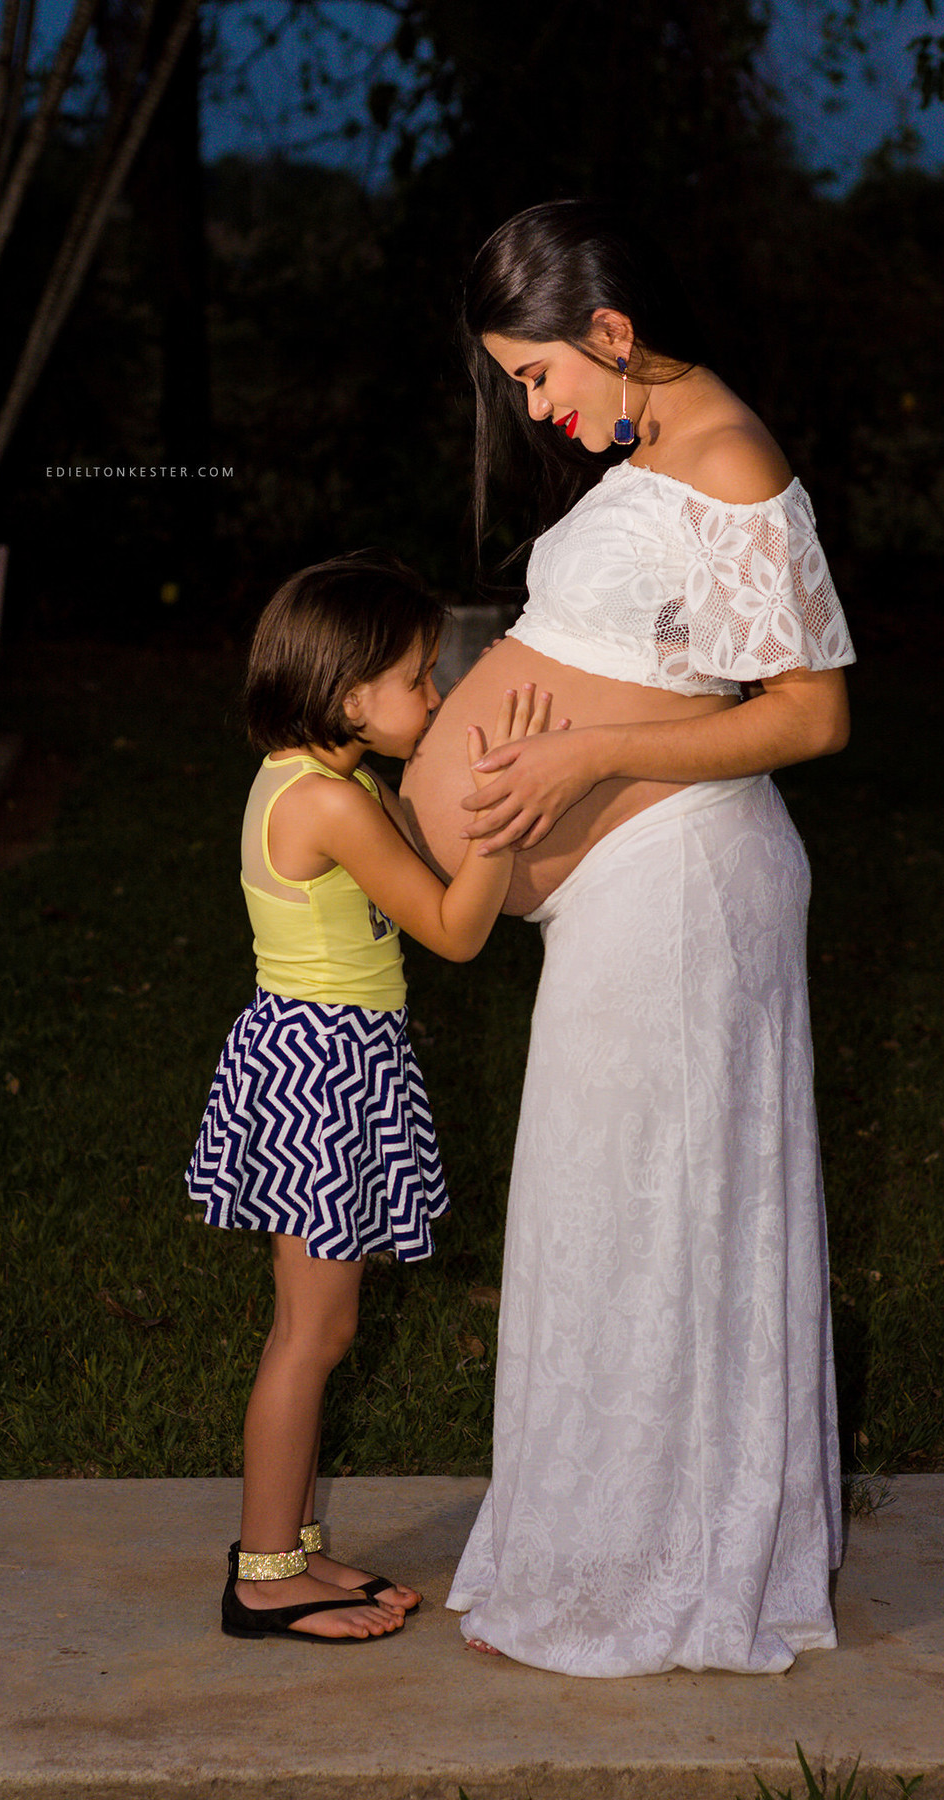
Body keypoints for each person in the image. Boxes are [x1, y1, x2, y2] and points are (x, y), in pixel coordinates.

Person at [398, 200, 856, 1677]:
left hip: (686, 890)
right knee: (604, 1222)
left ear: (607, 331)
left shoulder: (727, 457)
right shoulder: (650, 450)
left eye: (536, 377)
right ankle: (589, 1549)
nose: (534, 407)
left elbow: (804, 713)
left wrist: (581, 759)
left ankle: (654, 1574)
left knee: (656, 1223)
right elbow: (677, 679)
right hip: (623, 890)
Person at [186, 547, 560, 1642]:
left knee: (321, 1328)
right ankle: (261, 1579)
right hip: (321, 1069)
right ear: (350, 695)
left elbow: (423, 843)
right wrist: (505, 815)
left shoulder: (333, 781)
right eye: (416, 678)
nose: (433, 696)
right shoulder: (330, 804)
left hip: (327, 1059)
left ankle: (290, 1547)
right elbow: (451, 929)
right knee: (309, 1334)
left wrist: (477, 772)